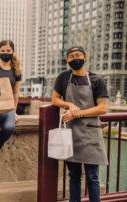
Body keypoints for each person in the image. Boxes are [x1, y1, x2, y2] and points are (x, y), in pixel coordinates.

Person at [52, 46, 108, 202]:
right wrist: (69, 104)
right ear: (67, 60)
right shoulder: (63, 77)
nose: (75, 58)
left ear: (85, 56)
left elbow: (102, 108)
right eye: (71, 56)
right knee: (74, 176)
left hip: (91, 133)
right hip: (71, 133)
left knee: (92, 177)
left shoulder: (97, 80)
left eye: (78, 55)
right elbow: (55, 100)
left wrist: (77, 113)